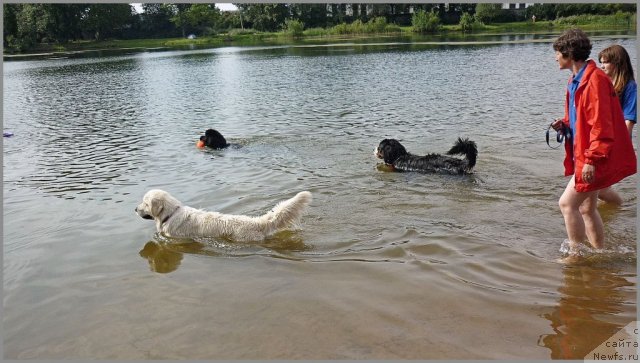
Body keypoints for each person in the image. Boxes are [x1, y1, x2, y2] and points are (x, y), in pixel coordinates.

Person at [550, 29, 636, 257]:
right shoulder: (575, 81)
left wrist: (591, 160)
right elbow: (582, 119)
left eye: (557, 52)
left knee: (567, 204)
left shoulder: (595, 80)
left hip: (593, 156)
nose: (555, 57)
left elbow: (602, 126)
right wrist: (565, 124)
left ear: (569, 53)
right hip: (586, 153)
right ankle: (600, 254)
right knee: (587, 208)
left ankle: (575, 256)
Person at [596, 44, 637, 206]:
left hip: (615, 143)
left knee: (600, 189)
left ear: (617, 63)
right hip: (602, 140)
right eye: (600, 61)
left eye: (605, 62)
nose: (601, 65)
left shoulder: (630, 87)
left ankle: (619, 207)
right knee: (597, 187)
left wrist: (619, 147)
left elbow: (630, 120)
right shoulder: (605, 84)